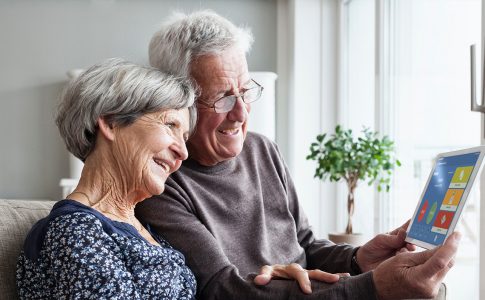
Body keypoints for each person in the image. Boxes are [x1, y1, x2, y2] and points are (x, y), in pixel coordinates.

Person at [136, 10, 460, 299]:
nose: (240, 113)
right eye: (222, 97)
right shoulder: (159, 181)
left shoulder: (262, 149)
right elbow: (223, 288)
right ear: (177, 100)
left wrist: (358, 259)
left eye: (245, 91)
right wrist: (372, 287)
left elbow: (304, 244)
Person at [16, 58, 198, 299]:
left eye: (184, 136)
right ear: (111, 123)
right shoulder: (75, 231)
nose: (183, 152)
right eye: (170, 125)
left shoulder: (142, 228)